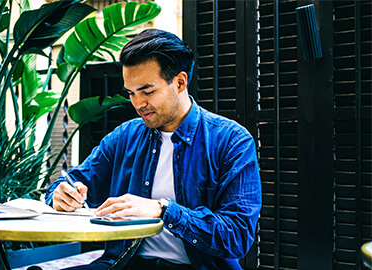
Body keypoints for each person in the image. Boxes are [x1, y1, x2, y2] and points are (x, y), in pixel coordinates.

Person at [45, 28, 262, 270]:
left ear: (180, 82)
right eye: (131, 93)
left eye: (148, 91)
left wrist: (164, 210)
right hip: (123, 264)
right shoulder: (124, 137)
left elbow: (237, 237)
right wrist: (61, 194)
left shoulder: (231, 140)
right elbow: (71, 182)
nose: (138, 104)